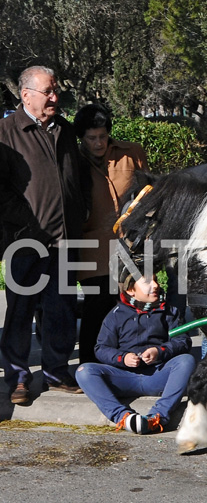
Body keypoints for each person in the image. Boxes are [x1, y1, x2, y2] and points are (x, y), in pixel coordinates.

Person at [0, 66, 91, 404]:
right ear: (26, 96)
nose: (55, 97)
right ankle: (18, 378)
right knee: (20, 312)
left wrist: (79, 211)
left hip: (65, 240)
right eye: (48, 92)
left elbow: (77, 176)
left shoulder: (64, 131)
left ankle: (56, 372)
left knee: (61, 310)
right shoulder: (6, 132)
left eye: (55, 91)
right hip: (25, 242)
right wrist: (22, 224)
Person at [72, 104, 149, 364]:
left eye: (102, 136)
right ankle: (89, 365)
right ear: (81, 138)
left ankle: (127, 362)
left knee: (131, 306)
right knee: (97, 307)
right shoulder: (73, 160)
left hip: (131, 244)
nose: (98, 143)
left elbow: (148, 192)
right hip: (91, 245)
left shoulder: (131, 153)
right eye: (91, 138)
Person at [75, 273, 196, 433]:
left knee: (186, 361)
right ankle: (123, 417)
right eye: (147, 282)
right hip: (124, 378)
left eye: (156, 281)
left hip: (157, 375)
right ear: (131, 290)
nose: (155, 285)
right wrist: (122, 358)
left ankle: (157, 417)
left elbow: (183, 341)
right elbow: (101, 349)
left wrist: (159, 352)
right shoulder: (115, 314)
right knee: (84, 371)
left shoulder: (170, 311)